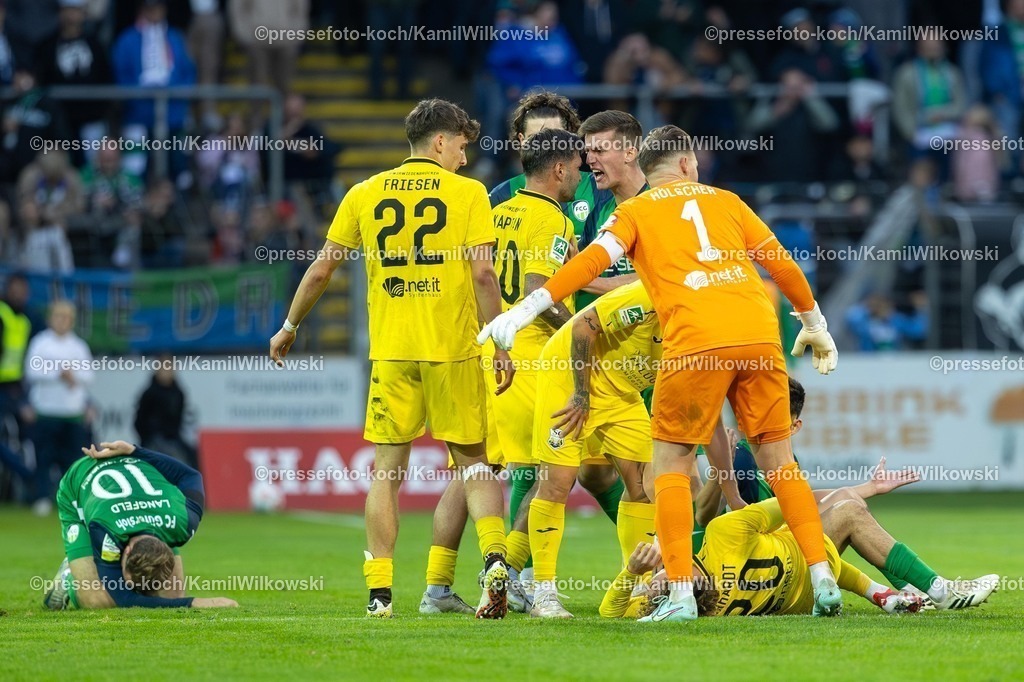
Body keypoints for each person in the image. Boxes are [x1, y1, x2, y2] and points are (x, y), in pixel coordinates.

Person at [478, 124, 843, 622]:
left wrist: (520, 312)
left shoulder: (637, 212)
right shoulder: (728, 201)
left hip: (692, 340)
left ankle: (678, 596)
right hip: (756, 331)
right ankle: (822, 575)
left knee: (669, 466)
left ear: (647, 172)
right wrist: (814, 323)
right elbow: (779, 264)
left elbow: (589, 265)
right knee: (780, 461)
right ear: (689, 164)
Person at [269, 98, 514, 620]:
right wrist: (500, 341)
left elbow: (319, 270)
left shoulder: (363, 192)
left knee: (385, 474)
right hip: (453, 350)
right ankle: (495, 558)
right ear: (441, 142)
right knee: (475, 464)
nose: (465, 160)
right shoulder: (469, 194)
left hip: (392, 353)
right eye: (462, 147)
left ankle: (380, 593)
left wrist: (289, 327)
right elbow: (485, 276)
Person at [43, 439, 237, 609]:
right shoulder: (105, 532)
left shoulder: (183, 522)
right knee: (97, 600)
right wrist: (194, 602)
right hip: (80, 479)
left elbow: (192, 476)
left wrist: (136, 451)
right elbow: (123, 598)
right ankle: (69, 579)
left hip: (138, 495)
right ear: (124, 552)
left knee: (172, 595)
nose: (132, 588)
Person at [24, 300, 92, 514]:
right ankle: (43, 496)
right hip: (46, 411)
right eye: (58, 316)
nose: (62, 321)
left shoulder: (78, 346)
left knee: (72, 461)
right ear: (50, 318)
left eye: (66, 317)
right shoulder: (40, 343)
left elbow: (89, 375)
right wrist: (58, 374)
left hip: (72, 413)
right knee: (44, 457)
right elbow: (31, 371)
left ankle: (72, 501)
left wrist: (73, 376)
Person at [134, 354, 196, 467]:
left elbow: (178, 421)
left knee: (189, 457)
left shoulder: (178, 393)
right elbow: (139, 422)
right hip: (152, 440)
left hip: (173, 439)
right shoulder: (149, 393)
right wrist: (149, 437)